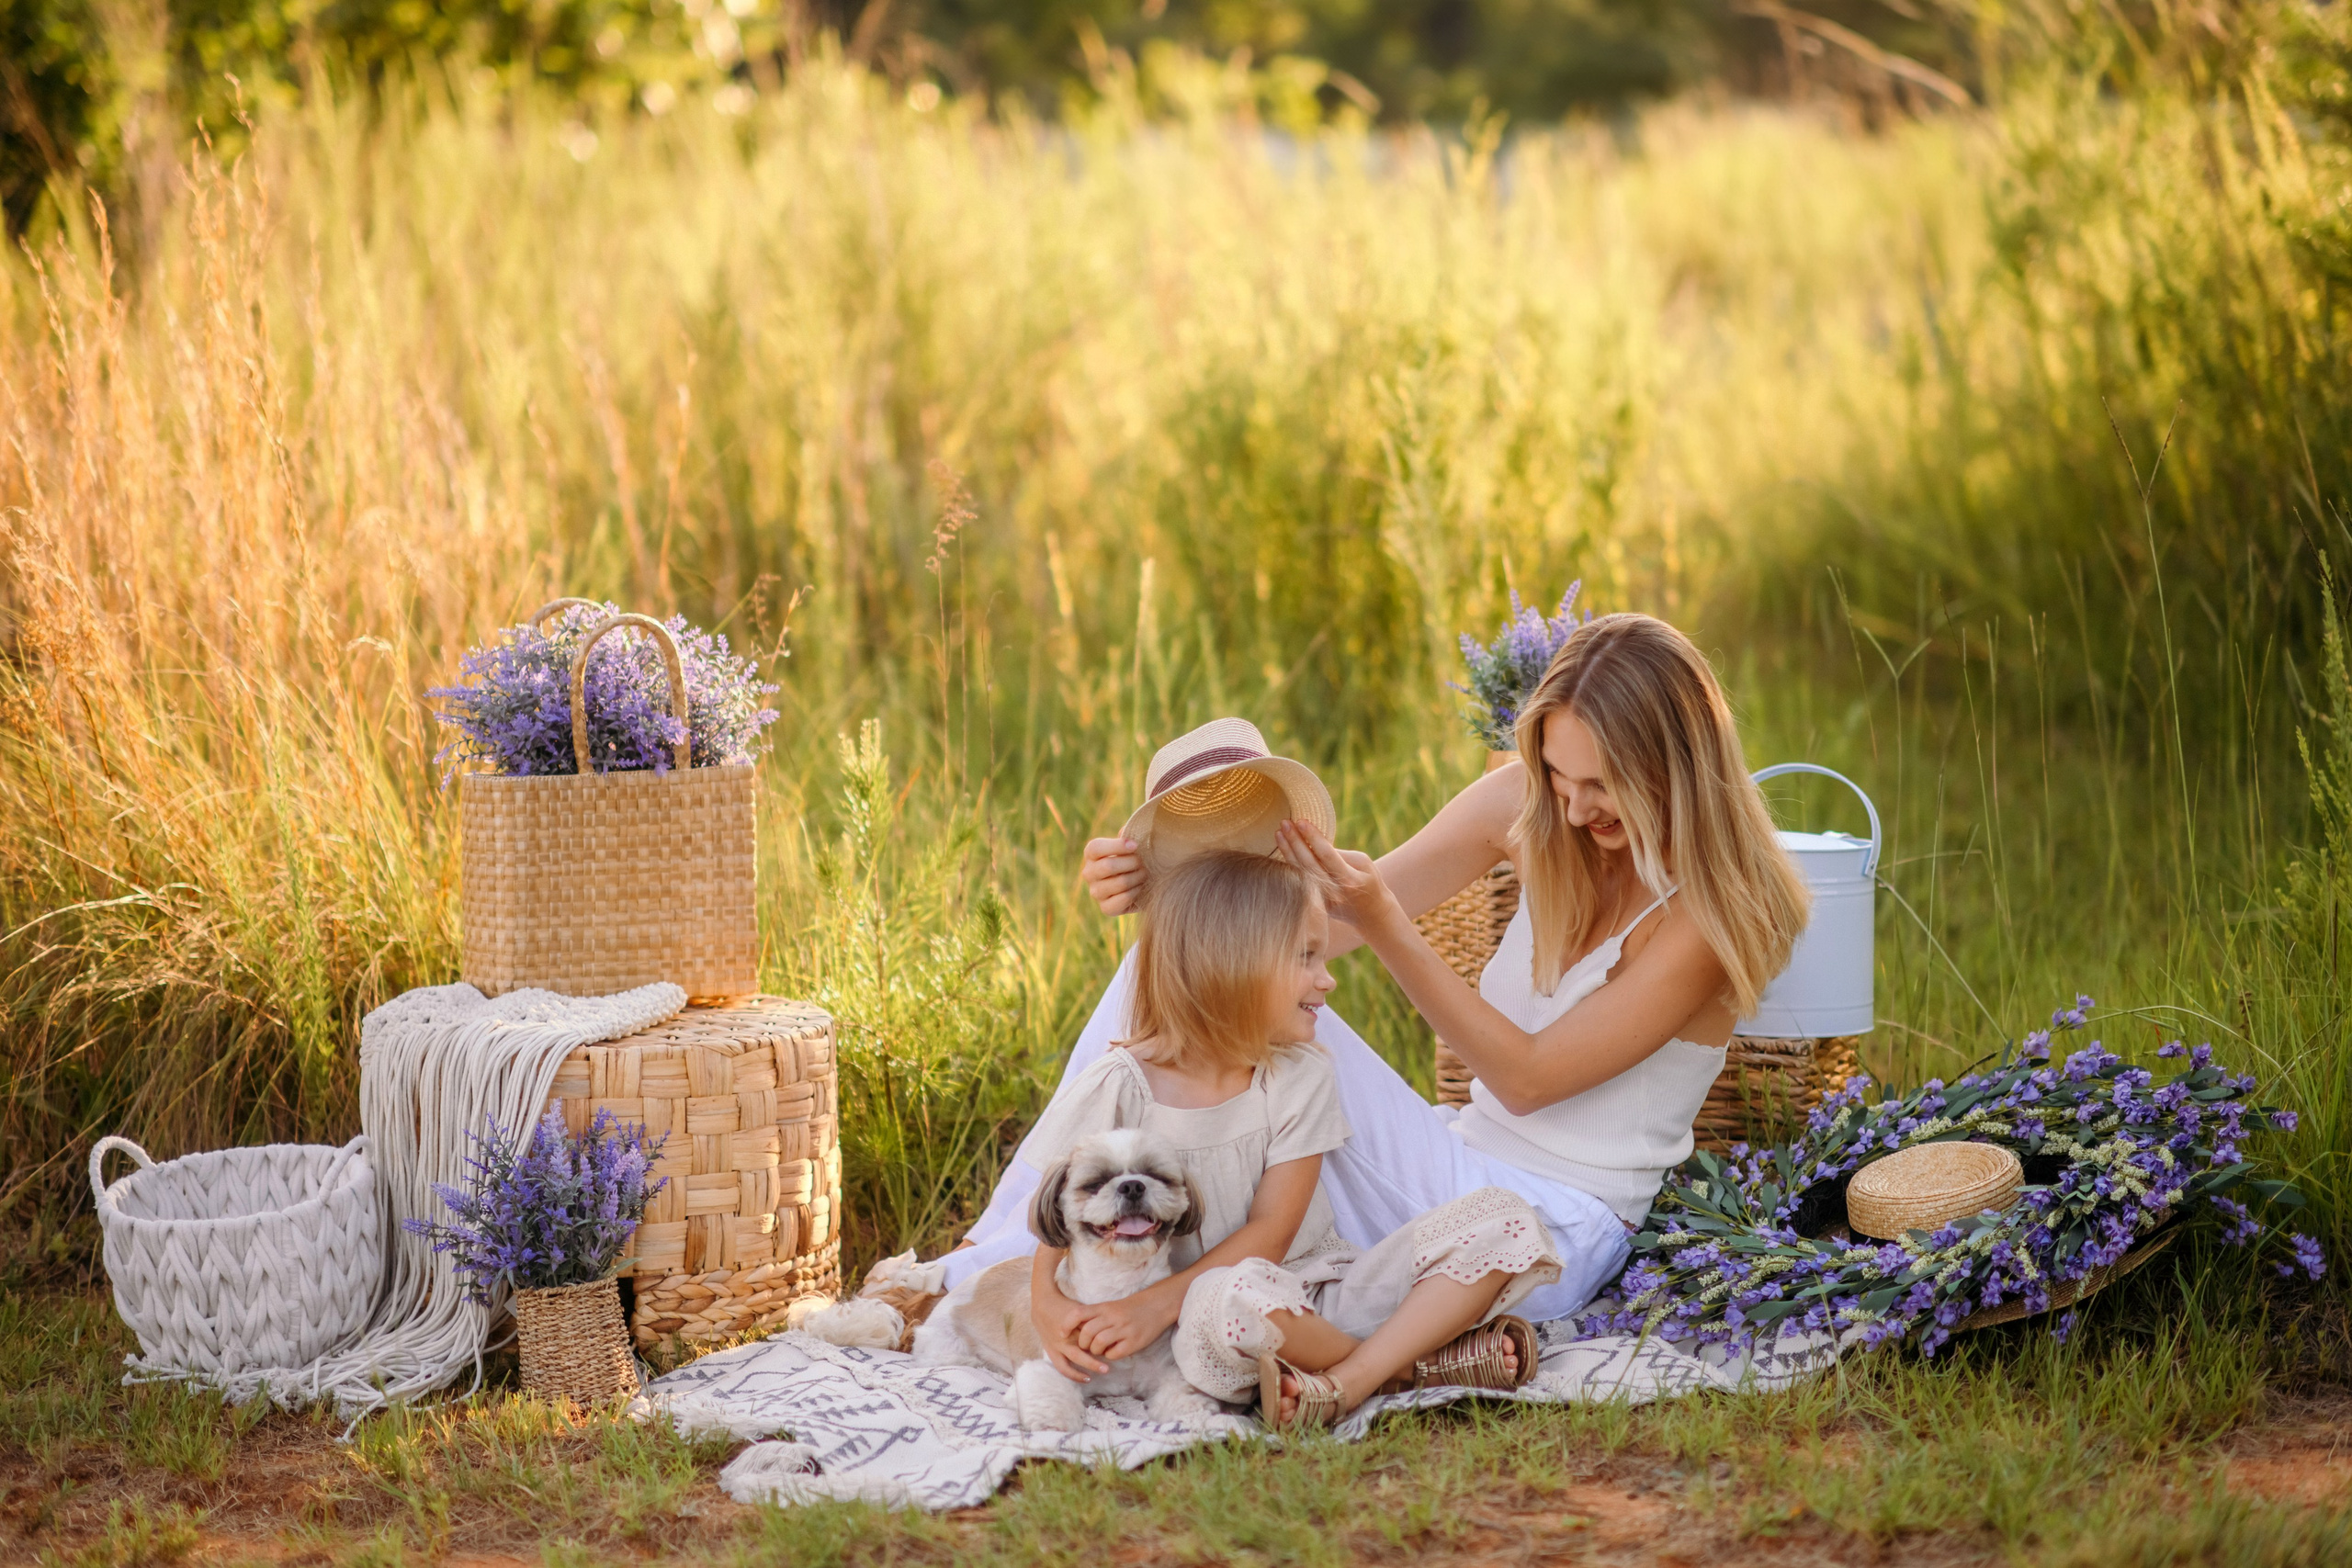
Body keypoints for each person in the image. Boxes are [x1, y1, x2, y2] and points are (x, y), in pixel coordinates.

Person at [953, 612, 1811, 1333]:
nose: (1576, 806)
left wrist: (1392, 925)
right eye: (1556, 772)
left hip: (1546, 1227)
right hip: (1448, 1161)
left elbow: (1525, 1079)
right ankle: (1010, 1255)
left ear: (1678, 769)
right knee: (1159, 966)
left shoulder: (1708, 916)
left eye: (1604, 785)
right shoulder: (1533, 805)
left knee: (1279, 1051)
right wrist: (1166, 889)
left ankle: (981, 1275)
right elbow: (1321, 924)